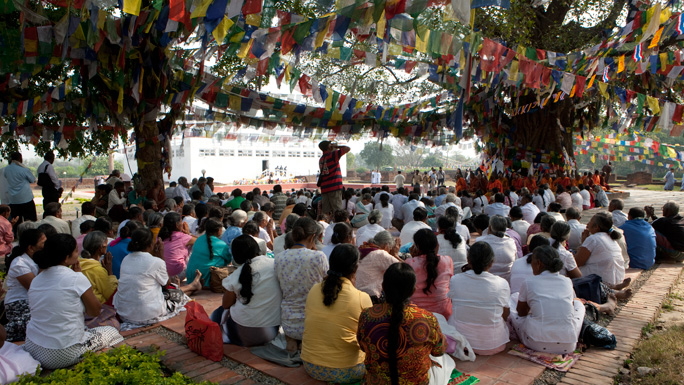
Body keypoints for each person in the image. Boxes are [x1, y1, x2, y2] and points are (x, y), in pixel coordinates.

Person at [23, 234, 123, 369]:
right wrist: (79, 276)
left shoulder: (36, 279)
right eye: (76, 251)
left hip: (33, 347)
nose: (78, 254)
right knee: (112, 332)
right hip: (61, 353)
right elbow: (95, 311)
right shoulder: (76, 278)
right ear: (66, 257)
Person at [357, 263, 451, 385]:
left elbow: (363, 347)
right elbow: (439, 351)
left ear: (383, 287)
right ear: (413, 290)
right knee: (445, 361)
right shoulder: (426, 318)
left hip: (376, 382)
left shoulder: (367, 316)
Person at [301, 244, 372, 382]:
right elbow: (367, 338)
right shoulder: (361, 297)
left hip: (311, 366)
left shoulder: (314, 289)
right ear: (355, 268)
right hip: (348, 370)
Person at [114, 228, 202, 326]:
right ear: (150, 244)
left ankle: (193, 286)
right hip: (149, 314)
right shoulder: (155, 261)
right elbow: (167, 284)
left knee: (171, 291)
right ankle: (193, 286)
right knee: (175, 292)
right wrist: (161, 255)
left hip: (125, 313)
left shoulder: (126, 259)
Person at [509, 245, 585, 354]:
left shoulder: (529, 282)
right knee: (579, 305)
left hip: (535, 342)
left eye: (532, 262)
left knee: (512, 298)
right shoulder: (567, 281)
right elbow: (570, 309)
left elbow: (521, 313)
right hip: (568, 344)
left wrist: (534, 311)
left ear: (539, 263)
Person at [214, 235, 282, 347]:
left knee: (220, 312)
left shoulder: (236, 275)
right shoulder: (275, 264)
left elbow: (226, 305)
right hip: (272, 331)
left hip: (243, 332)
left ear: (236, 256)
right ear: (258, 249)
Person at [274, 217, 329, 352]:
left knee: (292, 342)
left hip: (288, 320)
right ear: (313, 237)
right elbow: (327, 282)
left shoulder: (279, 258)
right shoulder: (318, 257)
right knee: (308, 344)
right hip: (312, 319)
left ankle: (292, 345)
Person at [448, 242, 510, 355]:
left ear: (468, 260)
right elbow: (505, 314)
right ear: (491, 262)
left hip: (460, 343)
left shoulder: (455, 280)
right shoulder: (502, 283)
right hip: (493, 344)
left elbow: (454, 304)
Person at [4, 229, 45, 342]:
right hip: (19, 303)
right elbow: (36, 288)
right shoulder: (19, 264)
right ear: (31, 248)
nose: (46, 246)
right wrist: (44, 265)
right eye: (43, 243)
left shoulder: (35, 261)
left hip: (34, 302)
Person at [406, 229, 453, 319]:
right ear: (437, 245)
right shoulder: (447, 261)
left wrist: (414, 258)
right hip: (444, 314)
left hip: (416, 316)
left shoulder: (409, 263)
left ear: (417, 247)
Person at [576, 212, 628, 288]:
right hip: (617, 278)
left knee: (570, 270)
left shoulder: (593, 239)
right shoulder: (610, 237)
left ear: (596, 227)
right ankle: (613, 288)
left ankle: (607, 288)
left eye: (590, 221)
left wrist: (583, 242)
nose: (587, 224)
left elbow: (578, 262)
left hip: (603, 280)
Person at [355, 231, 401, 301]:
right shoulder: (380, 254)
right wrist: (395, 255)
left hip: (355, 292)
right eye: (390, 249)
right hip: (370, 296)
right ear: (386, 246)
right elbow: (403, 269)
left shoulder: (363, 248)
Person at [186, 218, 231, 286]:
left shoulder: (198, 240)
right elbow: (228, 260)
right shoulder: (222, 245)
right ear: (219, 230)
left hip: (191, 278)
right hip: (207, 280)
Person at [79, 231, 118, 303]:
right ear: (101, 248)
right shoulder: (97, 270)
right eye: (106, 244)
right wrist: (110, 272)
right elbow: (111, 294)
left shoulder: (76, 265)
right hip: (97, 308)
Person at [159, 212, 197, 281]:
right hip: (178, 274)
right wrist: (188, 233)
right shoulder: (183, 237)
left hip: (162, 274)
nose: (182, 224)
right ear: (177, 225)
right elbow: (200, 241)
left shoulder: (160, 236)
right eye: (181, 222)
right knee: (192, 248)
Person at [477, 215, 517, 282]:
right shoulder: (511, 242)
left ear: (489, 228)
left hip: (485, 281)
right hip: (507, 282)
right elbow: (515, 262)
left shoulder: (480, 242)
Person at [318, 141, 350, 216]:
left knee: (326, 213)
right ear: (329, 147)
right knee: (338, 211)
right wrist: (337, 147)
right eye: (330, 144)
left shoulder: (321, 159)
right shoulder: (333, 155)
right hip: (334, 187)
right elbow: (347, 148)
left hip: (325, 188)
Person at [4, 152, 37, 224]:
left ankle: (17, 234)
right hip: (26, 199)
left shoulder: (7, 169)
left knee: (16, 222)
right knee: (30, 222)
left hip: (13, 200)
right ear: (20, 159)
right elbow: (33, 180)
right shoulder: (24, 169)